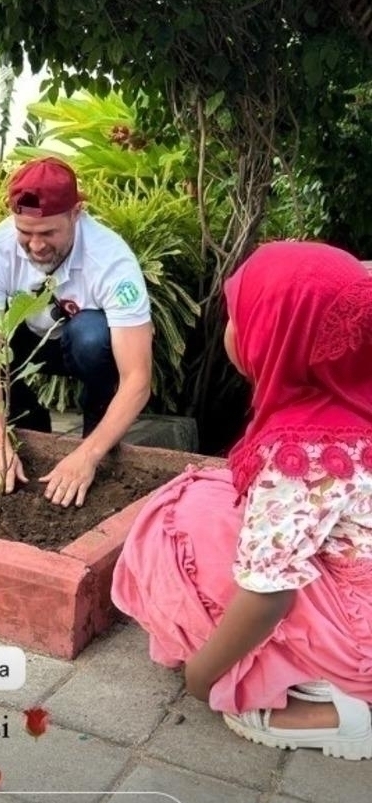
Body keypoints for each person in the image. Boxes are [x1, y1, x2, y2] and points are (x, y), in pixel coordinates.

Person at [112, 241, 372, 760]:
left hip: (359, 634)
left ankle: (328, 703)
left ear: (278, 337)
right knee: (213, 496)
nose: (231, 330)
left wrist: (200, 679)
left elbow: (269, 594)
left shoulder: (304, 452)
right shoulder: (353, 391)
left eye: (241, 317)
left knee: (175, 522)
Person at [0, 157, 153, 508]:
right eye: (25, 233)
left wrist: (88, 455)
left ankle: (96, 440)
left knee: (91, 334)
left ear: (76, 213)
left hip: (83, 348)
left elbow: (137, 378)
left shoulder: (112, 261)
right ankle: (29, 418)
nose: (35, 246)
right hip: (27, 344)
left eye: (48, 233)